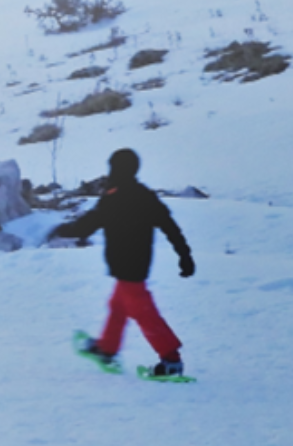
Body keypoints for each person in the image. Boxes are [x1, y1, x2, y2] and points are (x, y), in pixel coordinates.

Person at [51, 148, 195, 377]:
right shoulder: (144, 196)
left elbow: (88, 225)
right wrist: (184, 255)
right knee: (118, 306)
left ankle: (171, 360)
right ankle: (107, 349)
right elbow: (170, 226)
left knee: (143, 311)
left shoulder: (113, 198)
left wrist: (60, 230)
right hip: (135, 265)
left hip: (129, 267)